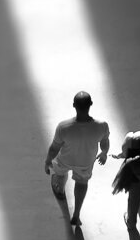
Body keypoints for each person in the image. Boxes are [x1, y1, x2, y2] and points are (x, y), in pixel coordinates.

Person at [44, 90, 110, 227]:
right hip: (85, 163)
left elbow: (54, 148)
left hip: (65, 160)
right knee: (81, 184)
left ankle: (60, 190)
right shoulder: (102, 125)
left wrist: (47, 160)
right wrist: (104, 153)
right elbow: (104, 141)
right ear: (91, 104)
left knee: (60, 173)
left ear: (74, 105)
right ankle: (76, 215)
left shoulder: (64, 127)